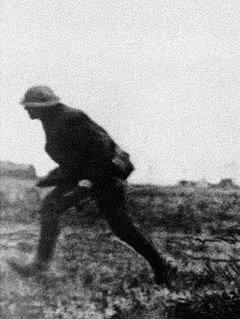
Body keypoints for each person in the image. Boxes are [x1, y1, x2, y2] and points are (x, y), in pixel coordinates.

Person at [6, 85, 177, 285]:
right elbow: (75, 159)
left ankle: (161, 265)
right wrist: (53, 178)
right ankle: (40, 266)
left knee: (121, 226)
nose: (26, 109)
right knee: (51, 206)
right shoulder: (52, 121)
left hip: (103, 177)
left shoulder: (70, 118)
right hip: (85, 178)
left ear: (43, 106)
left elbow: (102, 148)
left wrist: (86, 184)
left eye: (30, 106)